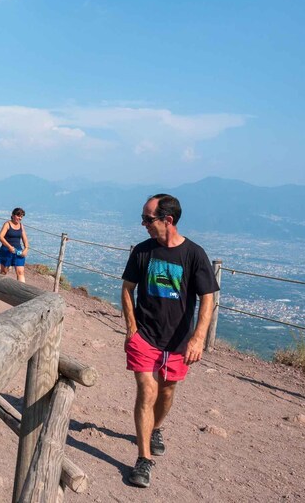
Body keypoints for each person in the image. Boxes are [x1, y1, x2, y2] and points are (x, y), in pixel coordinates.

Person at [121, 194, 219, 488]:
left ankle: (156, 428)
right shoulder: (142, 251)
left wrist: (198, 338)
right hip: (145, 337)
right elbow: (127, 289)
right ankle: (143, 459)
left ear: (168, 220)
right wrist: (131, 328)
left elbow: (208, 298)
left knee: (166, 392)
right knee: (147, 390)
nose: (143, 224)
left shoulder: (194, 254)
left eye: (147, 219)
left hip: (178, 342)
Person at [0, 208, 29, 282]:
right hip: (6, 250)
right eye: (18, 216)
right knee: (4, 271)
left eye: (21, 217)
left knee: (20, 272)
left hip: (18, 251)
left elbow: (25, 238)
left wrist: (26, 248)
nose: (20, 218)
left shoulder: (21, 226)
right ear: (13, 215)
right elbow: (0, 236)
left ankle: (21, 288)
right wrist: (9, 247)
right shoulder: (7, 224)